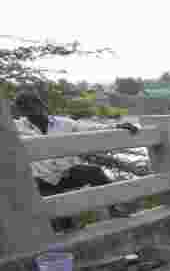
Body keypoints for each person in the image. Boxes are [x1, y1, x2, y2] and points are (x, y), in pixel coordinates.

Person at [13, 91, 140, 232]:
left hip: (67, 173)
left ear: (41, 105)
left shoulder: (63, 123)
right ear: (21, 111)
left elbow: (90, 129)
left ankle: (114, 207)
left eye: (31, 106)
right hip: (41, 179)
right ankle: (66, 230)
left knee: (94, 172)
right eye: (24, 108)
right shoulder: (16, 128)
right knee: (58, 215)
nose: (30, 111)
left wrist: (117, 126)